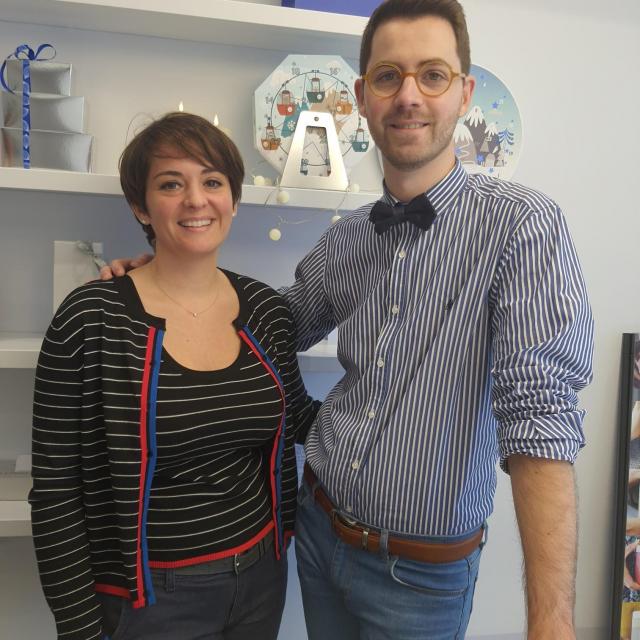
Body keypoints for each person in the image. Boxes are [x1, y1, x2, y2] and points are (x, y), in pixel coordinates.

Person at [102, 1, 594, 637]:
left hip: (419, 574)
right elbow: (267, 323)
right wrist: (171, 276)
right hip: (314, 532)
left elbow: (541, 420)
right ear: (362, 97)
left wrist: (551, 625)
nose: (408, 96)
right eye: (389, 76)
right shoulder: (348, 238)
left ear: (465, 93)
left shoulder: (522, 227)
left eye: (433, 75)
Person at [30, 112, 318, 640]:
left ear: (233, 198)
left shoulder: (265, 309)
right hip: (147, 598)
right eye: (170, 184)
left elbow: (298, 417)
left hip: (260, 576)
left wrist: (395, 416)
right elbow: (54, 488)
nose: (195, 200)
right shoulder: (91, 317)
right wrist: (79, 628)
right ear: (141, 205)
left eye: (212, 181)